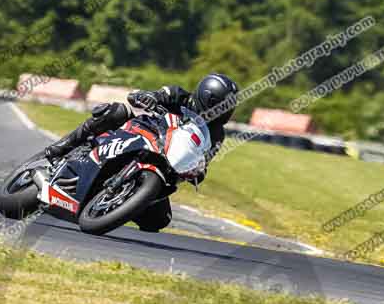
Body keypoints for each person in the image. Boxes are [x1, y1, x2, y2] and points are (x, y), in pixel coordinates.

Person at [44, 73, 239, 232]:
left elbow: (205, 158)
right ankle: (63, 146)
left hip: (166, 167)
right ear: (208, 98)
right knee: (116, 111)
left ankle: (118, 202)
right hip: (142, 133)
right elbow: (155, 94)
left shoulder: (217, 134)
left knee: (158, 221)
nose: (227, 111)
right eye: (225, 105)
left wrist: (199, 170)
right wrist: (148, 97)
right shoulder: (179, 96)